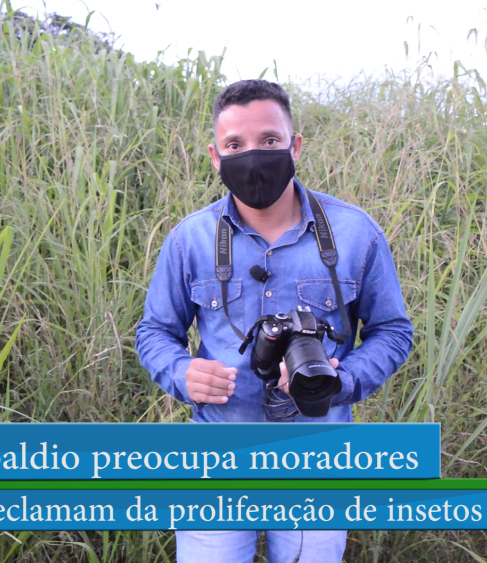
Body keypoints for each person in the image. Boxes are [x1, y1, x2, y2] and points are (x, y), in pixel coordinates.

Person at [134, 79, 414, 563]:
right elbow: (155, 332)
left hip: (319, 450)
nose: (253, 156)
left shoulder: (354, 233)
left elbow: (393, 330)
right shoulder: (190, 239)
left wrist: (342, 381)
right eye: (235, 145)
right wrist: (182, 373)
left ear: (295, 145)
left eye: (268, 141)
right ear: (215, 157)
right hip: (217, 452)